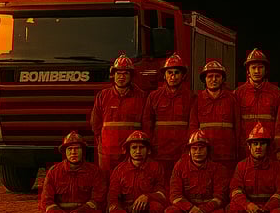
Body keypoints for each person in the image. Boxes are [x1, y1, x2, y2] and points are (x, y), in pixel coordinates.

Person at [37, 131, 106, 213]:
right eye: (70, 149)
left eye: (77, 149)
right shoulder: (54, 172)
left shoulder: (95, 172)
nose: (73, 152)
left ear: (83, 151)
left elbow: (98, 200)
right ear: (64, 152)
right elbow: (46, 202)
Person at [165, 129, 230, 213]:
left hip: (208, 209)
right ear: (189, 151)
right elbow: (174, 195)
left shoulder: (218, 169)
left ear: (208, 150)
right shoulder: (180, 166)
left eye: (201, 148)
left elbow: (219, 197)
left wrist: (201, 210)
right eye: (194, 148)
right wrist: (190, 208)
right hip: (186, 209)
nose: (198, 152)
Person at [106, 130, 168, 213]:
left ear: (148, 150)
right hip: (127, 212)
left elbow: (163, 193)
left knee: (157, 207)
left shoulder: (156, 167)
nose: (138, 151)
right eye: (134, 147)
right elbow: (112, 201)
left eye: (142, 147)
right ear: (128, 150)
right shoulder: (119, 170)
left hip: (148, 210)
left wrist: (148, 196)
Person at [91, 53, 148, 178]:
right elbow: (96, 124)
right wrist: (102, 144)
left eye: (125, 73)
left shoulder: (141, 96)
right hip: (108, 152)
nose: (121, 77)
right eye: (118, 73)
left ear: (131, 76)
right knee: (107, 183)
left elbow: (146, 124)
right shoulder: (103, 96)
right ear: (113, 75)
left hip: (131, 152)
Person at [143, 53, 195, 183]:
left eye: (177, 72)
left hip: (181, 150)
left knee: (182, 182)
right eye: (169, 72)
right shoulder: (154, 96)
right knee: (161, 182)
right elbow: (147, 123)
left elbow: (193, 124)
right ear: (164, 75)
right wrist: (149, 147)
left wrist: (189, 148)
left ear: (183, 76)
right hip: (159, 150)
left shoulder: (191, 97)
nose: (173, 76)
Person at [189, 60, 240, 173]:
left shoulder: (232, 99)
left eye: (217, 76)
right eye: (210, 76)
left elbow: (238, 126)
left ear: (222, 79)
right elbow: (193, 126)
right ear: (205, 79)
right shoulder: (197, 99)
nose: (214, 79)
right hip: (205, 153)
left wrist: (237, 149)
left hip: (227, 153)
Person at [234, 49, 280, 160]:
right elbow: (236, 124)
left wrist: (278, 147)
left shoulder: (276, 93)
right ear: (248, 71)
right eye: (253, 68)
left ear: (266, 71)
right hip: (246, 148)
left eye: (260, 67)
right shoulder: (238, 93)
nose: (256, 71)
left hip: (269, 148)